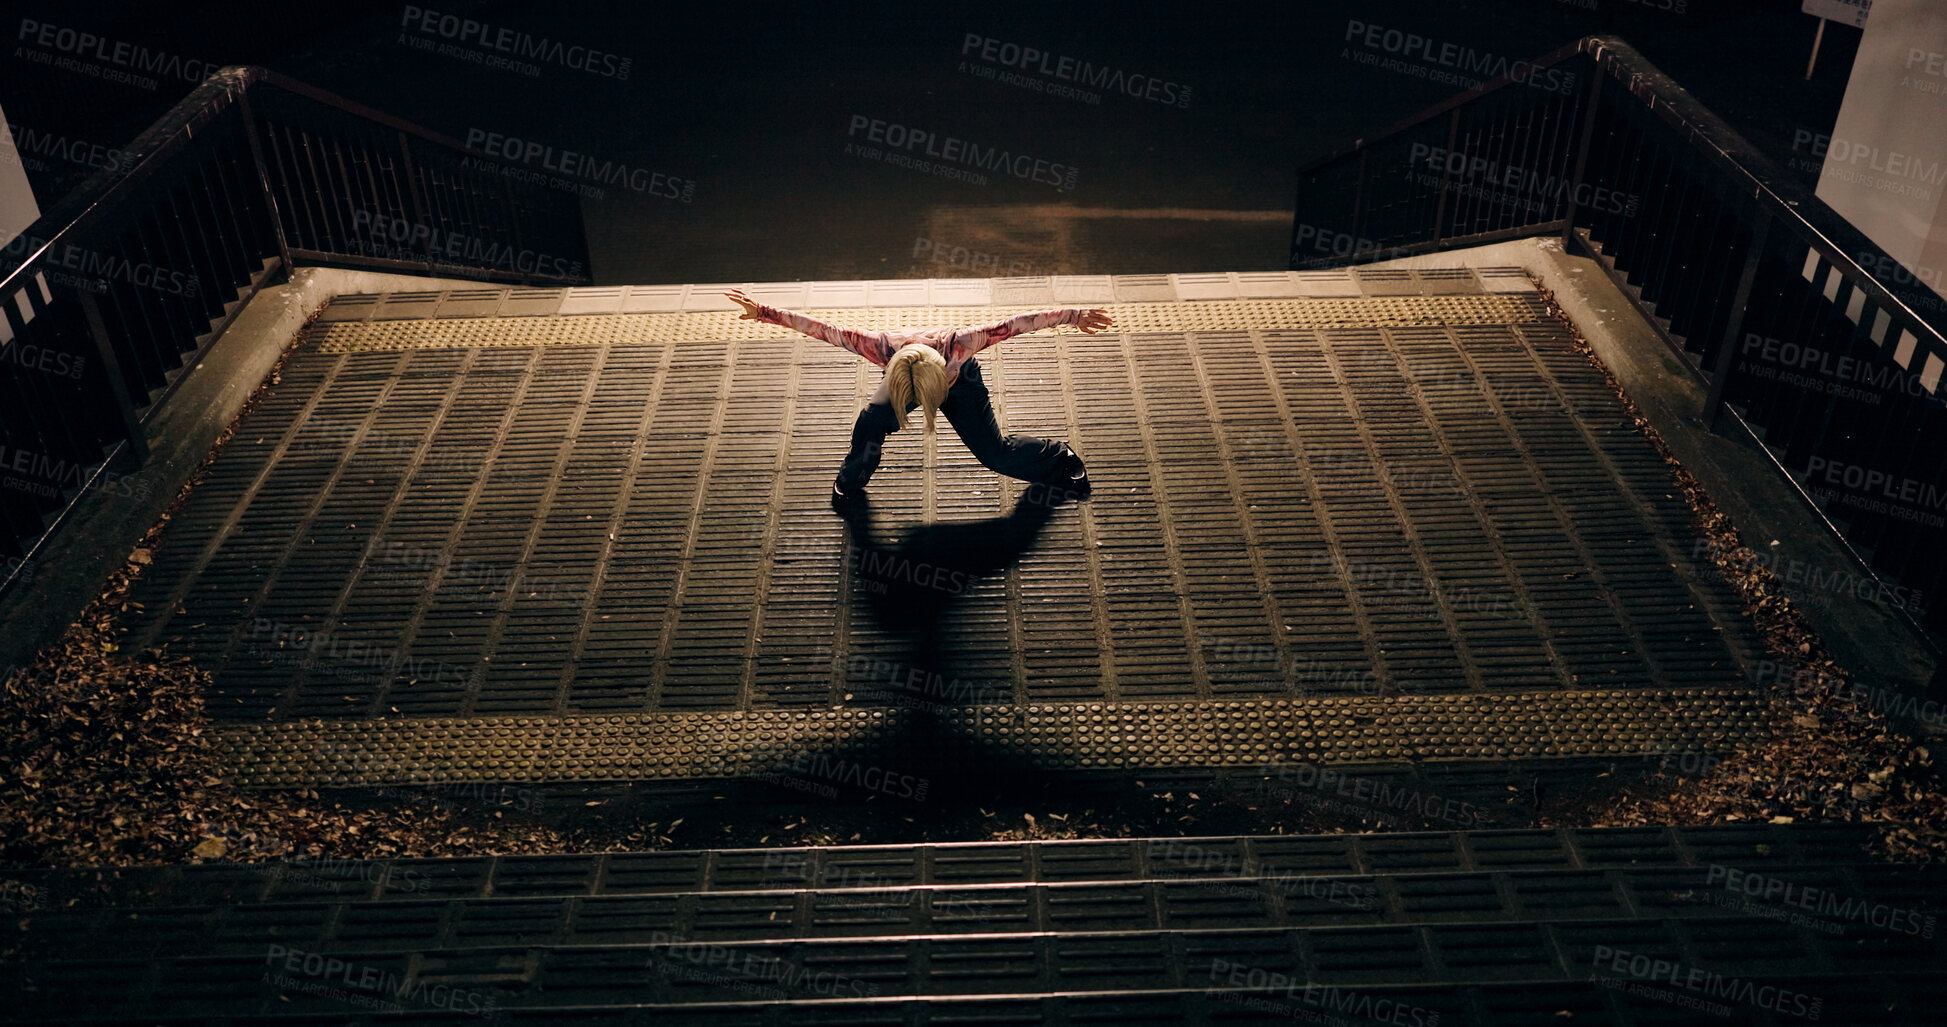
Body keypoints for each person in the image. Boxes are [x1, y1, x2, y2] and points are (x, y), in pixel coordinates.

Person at [722, 289, 1113, 503]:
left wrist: (1075, 315)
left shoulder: (961, 344)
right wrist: (764, 312)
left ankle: (1061, 457)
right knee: (871, 421)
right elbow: (823, 328)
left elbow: (1018, 324)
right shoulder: (880, 347)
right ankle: (852, 478)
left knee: (995, 454)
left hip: (962, 386)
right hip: (907, 380)